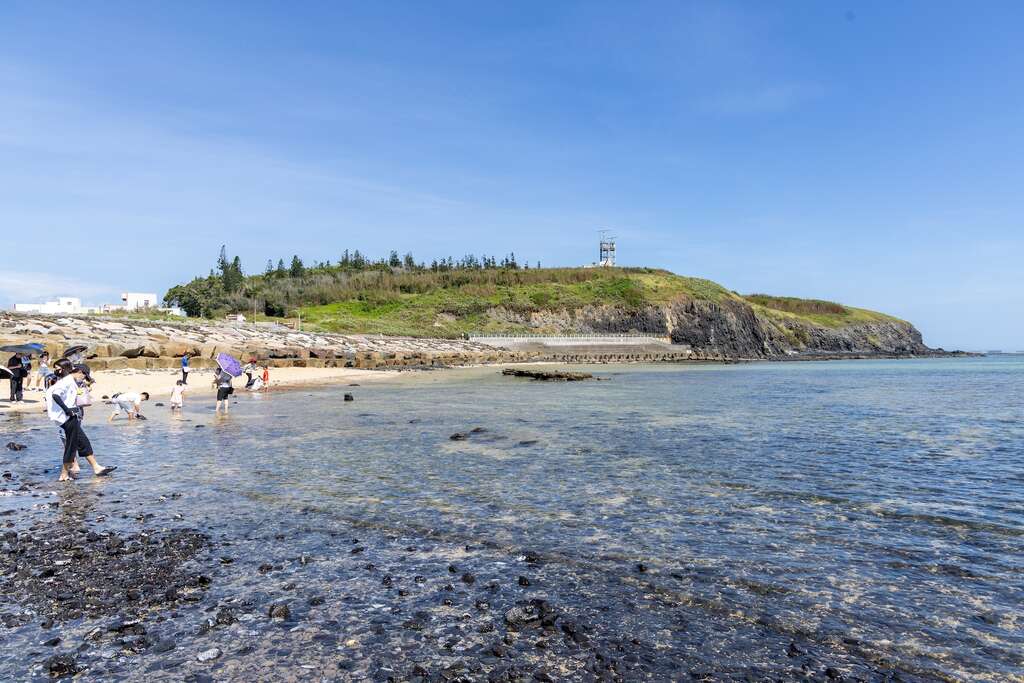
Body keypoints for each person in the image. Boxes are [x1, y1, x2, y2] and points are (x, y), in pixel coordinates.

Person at [46, 364, 116, 481]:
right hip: (67, 418)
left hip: (70, 416)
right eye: (84, 376)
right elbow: (55, 395)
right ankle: (64, 474)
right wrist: (67, 410)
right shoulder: (67, 381)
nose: (83, 378)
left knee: (83, 442)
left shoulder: (71, 381)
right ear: (79, 371)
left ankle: (96, 467)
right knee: (71, 446)